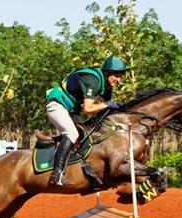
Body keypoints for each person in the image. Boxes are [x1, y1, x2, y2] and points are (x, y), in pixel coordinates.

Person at [45, 55, 129, 186]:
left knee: (85, 135)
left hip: (71, 112)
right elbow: (88, 108)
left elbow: (104, 110)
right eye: (116, 76)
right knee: (72, 134)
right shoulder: (92, 79)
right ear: (106, 73)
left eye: (120, 76)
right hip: (57, 105)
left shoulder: (107, 85)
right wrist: (108, 105)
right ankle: (56, 175)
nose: (119, 80)